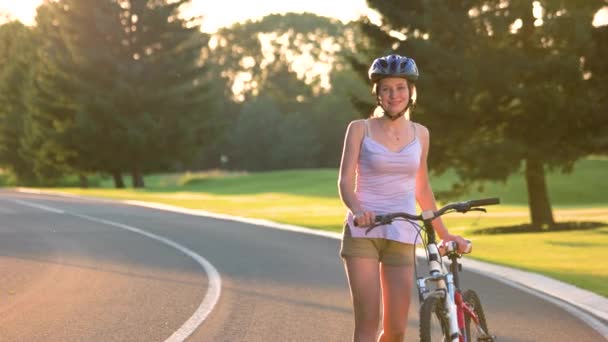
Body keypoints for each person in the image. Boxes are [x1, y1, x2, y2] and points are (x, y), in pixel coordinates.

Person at [337, 54, 469, 342]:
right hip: (364, 233)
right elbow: (345, 181)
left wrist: (444, 234)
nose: (393, 94)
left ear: (411, 91)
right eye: (386, 88)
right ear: (378, 94)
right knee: (367, 325)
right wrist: (359, 209)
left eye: (399, 88)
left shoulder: (421, 134)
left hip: (403, 233)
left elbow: (421, 188)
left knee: (396, 331)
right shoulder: (360, 128)